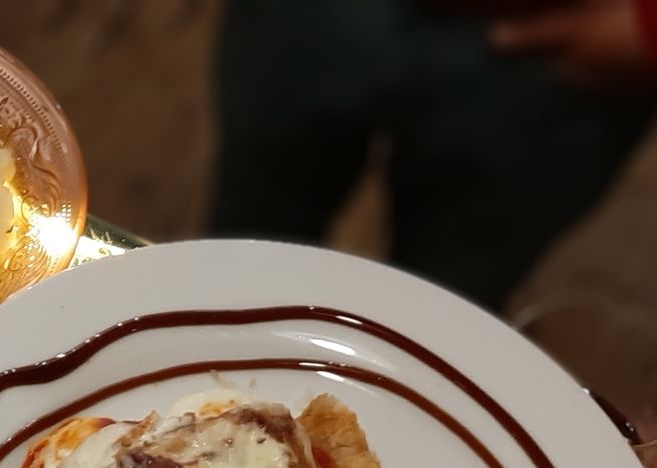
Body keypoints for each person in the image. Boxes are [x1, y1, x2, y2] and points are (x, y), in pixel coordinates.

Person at [208, 0, 657, 313]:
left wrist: (648, 30)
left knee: (453, 303)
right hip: (296, 16)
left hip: (561, 48)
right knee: (239, 260)